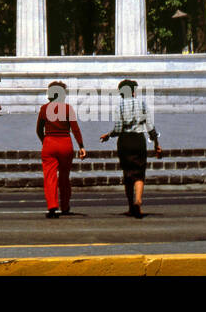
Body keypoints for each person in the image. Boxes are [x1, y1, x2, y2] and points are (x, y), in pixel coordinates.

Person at [100, 79, 162, 218]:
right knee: (139, 173)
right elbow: (151, 127)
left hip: (125, 141)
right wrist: (156, 144)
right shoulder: (142, 104)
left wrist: (109, 135)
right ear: (133, 91)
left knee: (127, 173)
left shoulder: (119, 106)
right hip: (139, 140)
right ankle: (138, 201)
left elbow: (118, 128)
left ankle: (130, 207)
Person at [36, 81, 86, 217]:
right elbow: (75, 129)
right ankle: (65, 206)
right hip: (65, 143)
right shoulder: (67, 109)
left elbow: (38, 129)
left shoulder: (44, 108)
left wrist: (44, 141)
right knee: (64, 177)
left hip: (49, 142)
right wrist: (81, 146)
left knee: (50, 177)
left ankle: (52, 206)